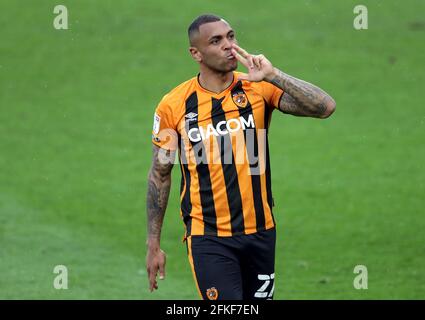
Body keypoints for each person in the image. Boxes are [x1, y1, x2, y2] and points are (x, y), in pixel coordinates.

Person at [145, 14, 336, 300]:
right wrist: (153, 243)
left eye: (231, 36)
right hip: (208, 237)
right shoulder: (174, 105)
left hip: (261, 232)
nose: (229, 45)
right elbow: (160, 173)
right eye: (216, 40)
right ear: (195, 53)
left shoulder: (257, 87)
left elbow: (324, 107)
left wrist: (274, 75)